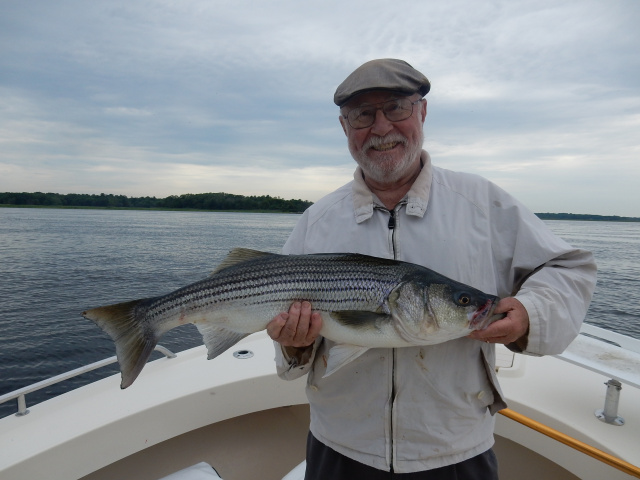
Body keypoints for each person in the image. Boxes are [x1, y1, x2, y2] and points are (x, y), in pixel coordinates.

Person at [265, 58, 597, 479]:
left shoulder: (483, 205)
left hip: (454, 450)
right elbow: (286, 327)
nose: (381, 128)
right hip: (340, 446)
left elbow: (570, 268)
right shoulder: (317, 220)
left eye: (397, 108)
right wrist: (294, 345)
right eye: (363, 115)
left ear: (422, 112)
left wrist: (532, 312)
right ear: (344, 128)